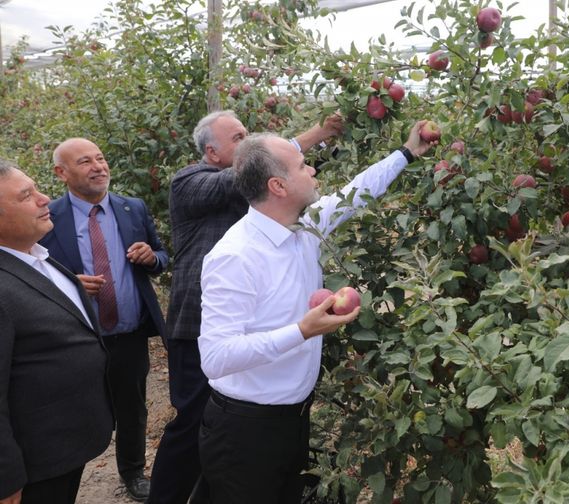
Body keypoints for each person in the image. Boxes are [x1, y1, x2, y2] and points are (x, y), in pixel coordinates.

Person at [196, 120, 434, 503]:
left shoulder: (303, 226)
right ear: (278, 186)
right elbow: (215, 357)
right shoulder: (235, 256)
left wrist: (406, 154)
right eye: (303, 165)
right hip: (245, 431)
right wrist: (301, 331)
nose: (312, 170)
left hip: (291, 419)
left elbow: (355, 193)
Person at [147, 110, 344, 504]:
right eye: (238, 138)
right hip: (196, 328)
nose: (246, 142)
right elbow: (217, 358)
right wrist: (313, 135)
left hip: (278, 406)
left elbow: (344, 197)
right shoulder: (191, 183)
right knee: (192, 427)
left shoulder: (294, 227)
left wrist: (405, 153)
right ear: (212, 151)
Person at [38, 138, 169, 502]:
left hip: (127, 333)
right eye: (85, 162)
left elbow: (161, 255)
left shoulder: (132, 209)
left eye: (100, 158)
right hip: (77, 337)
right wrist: (69, 284)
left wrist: (151, 257)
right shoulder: (48, 216)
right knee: (74, 409)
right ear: (61, 173)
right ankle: (66, 477)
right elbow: (34, 270)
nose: (98, 166)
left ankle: (132, 471)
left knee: (132, 406)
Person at [0, 160, 113, 504]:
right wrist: (6, 478)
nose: (44, 198)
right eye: (26, 196)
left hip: (63, 448)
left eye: (37, 189)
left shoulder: (37, 257)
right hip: (33, 466)